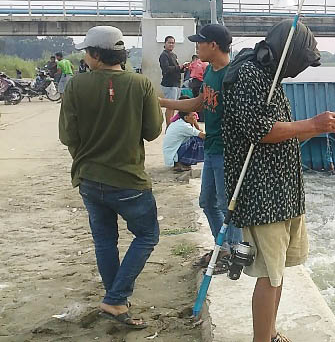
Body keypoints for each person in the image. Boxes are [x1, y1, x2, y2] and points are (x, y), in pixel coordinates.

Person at [222, 20, 335, 342]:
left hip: (284, 191)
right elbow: (259, 130)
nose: (301, 70)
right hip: (262, 193)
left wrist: (323, 126)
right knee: (268, 274)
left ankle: (270, 333)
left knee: (277, 274)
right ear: (288, 54)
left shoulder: (270, 75)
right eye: (302, 62)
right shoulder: (250, 75)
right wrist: (311, 122)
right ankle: (261, 339)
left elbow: (281, 129)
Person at [58, 26, 163, 330]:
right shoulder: (141, 84)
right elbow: (153, 131)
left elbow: (67, 136)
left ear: (95, 54)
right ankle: (116, 299)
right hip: (129, 180)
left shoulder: (76, 86)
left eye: (86, 52)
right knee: (146, 236)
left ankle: (115, 299)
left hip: (89, 180)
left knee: (105, 241)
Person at [158, 24, 242, 267]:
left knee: (230, 207)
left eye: (200, 43)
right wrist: (162, 102)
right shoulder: (209, 73)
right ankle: (223, 248)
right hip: (212, 149)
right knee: (207, 202)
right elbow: (199, 103)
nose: (197, 47)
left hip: (228, 152)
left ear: (213, 45)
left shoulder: (233, 75)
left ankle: (235, 253)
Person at [158, 35, 186, 128]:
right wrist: (179, 67)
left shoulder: (174, 55)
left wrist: (184, 68)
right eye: (169, 42)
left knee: (174, 106)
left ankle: (171, 124)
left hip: (176, 83)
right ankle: (168, 126)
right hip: (169, 84)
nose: (171, 44)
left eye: (173, 43)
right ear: (165, 44)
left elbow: (177, 69)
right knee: (170, 106)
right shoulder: (164, 55)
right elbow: (166, 69)